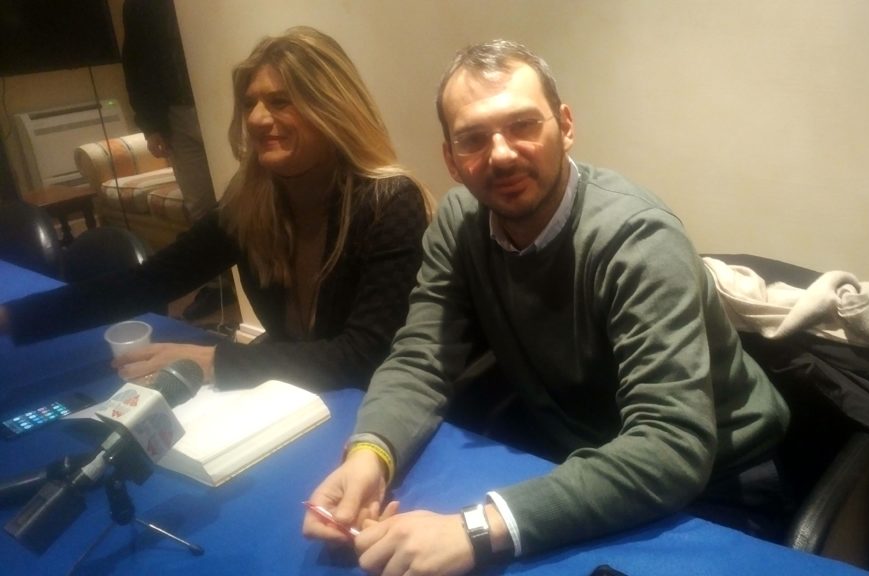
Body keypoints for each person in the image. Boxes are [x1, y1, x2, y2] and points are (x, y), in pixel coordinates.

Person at [302, 39, 790, 575]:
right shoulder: (459, 223)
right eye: (473, 138)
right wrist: (370, 454)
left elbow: (671, 446)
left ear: (566, 126)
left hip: (717, 482)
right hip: (579, 452)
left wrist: (477, 528)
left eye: (523, 125)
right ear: (451, 160)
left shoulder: (639, 241)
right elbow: (422, 358)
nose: (502, 153)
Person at [0, 27, 431, 390]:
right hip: (293, 391)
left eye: (280, 101)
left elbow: (364, 356)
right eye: (249, 103)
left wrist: (215, 359)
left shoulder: (391, 204)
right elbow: (149, 282)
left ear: (332, 108)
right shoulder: (251, 203)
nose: (256, 118)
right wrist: (14, 318)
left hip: (368, 400)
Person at [122, 0, 227, 320]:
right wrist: (150, 124)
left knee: (244, 197)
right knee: (200, 205)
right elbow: (136, 63)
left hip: (221, 103)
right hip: (175, 114)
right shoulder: (140, 5)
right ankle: (219, 287)